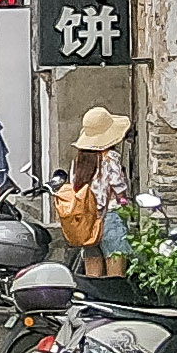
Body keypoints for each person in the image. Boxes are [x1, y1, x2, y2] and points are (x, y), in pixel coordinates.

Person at [60, 108, 131, 294]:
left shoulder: (79, 161)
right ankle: (113, 304)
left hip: (88, 221)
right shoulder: (110, 158)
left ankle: (93, 304)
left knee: (92, 271)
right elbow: (118, 187)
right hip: (110, 217)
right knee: (115, 272)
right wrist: (125, 203)